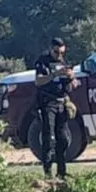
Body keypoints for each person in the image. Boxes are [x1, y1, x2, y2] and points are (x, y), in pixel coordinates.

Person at [34, 37, 80, 179]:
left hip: (62, 103)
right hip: (48, 103)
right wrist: (54, 74)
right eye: (56, 52)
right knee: (49, 138)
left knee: (63, 138)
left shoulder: (64, 62)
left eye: (62, 53)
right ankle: (48, 172)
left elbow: (73, 85)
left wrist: (72, 78)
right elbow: (38, 81)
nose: (59, 55)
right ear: (50, 49)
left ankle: (62, 172)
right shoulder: (43, 61)